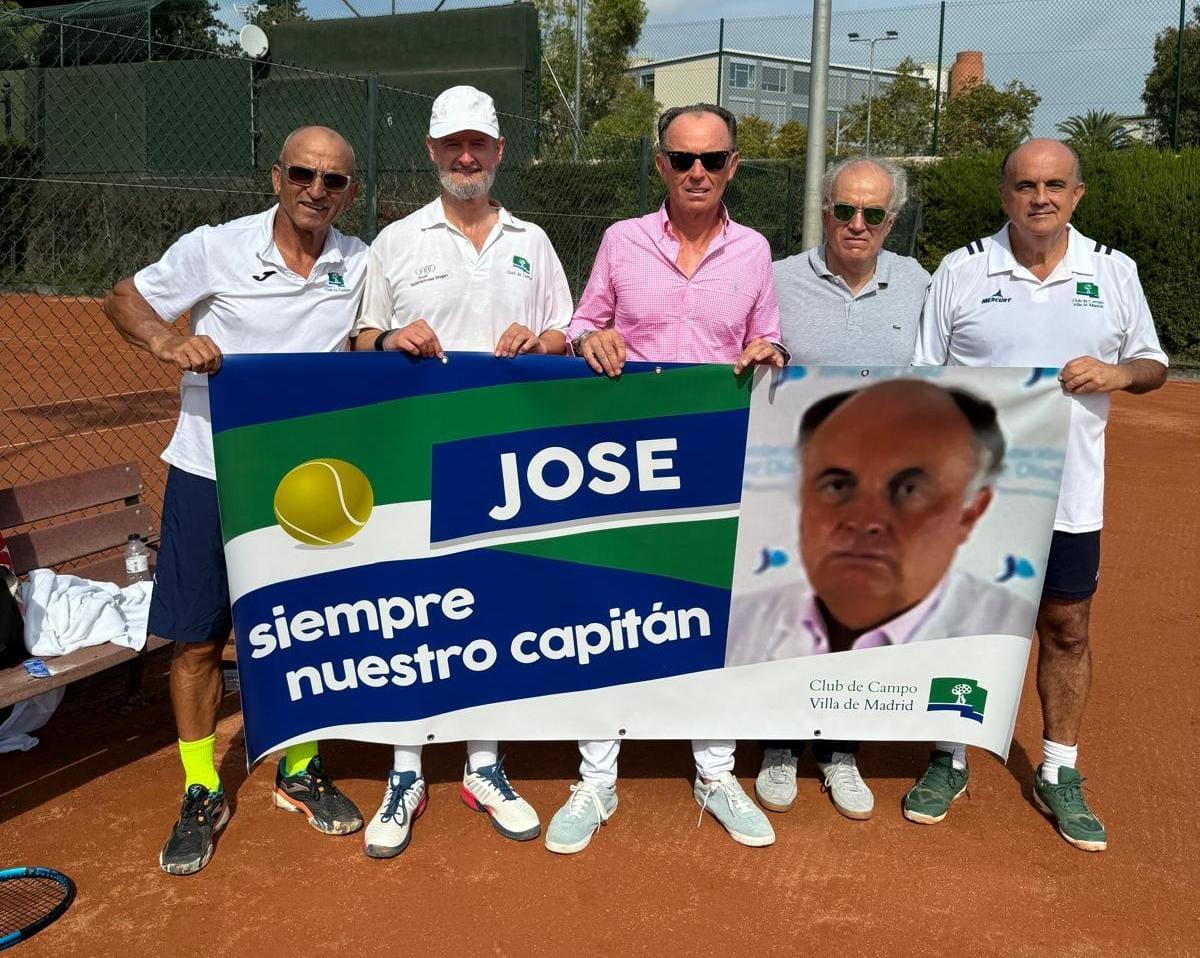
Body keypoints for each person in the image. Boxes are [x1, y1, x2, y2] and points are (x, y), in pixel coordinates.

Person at [103, 126, 369, 875]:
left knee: (310, 629)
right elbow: (125, 297)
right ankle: (199, 786)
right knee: (196, 638)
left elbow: (372, 341)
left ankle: (298, 770)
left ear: (351, 192)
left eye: (335, 181)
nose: (317, 190)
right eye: (304, 174)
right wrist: (164, 341)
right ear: (276, 175)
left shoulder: (361, 262)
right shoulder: (216, 247)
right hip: (209, 471)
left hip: (308, 483)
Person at [910, 138, 1168, 851]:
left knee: (1067, 628)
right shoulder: (960, 270)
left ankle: (1059, 770)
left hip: (1070, 496)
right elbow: (922, 377)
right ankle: (949, 758)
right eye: (1025, 185)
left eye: (1055, 184)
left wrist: (1119, 376)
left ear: (1077, 194)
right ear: (1005, 195)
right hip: (975, 498)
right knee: (963, 624)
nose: (1040, 197)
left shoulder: (1115, 273)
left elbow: (1152, 364)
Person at [547, 102, 787, 855]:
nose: (696, 172)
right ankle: (597, 776)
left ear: (732, 167)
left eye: (711, 160)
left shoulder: (755, 252)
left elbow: (768, 336)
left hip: (715, 460)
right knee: (608, 612)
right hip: (620, 462)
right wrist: (595, 340)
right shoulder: (621, 240)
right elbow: (585, 322)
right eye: (682, 159)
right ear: (660, 165)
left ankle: (716, 773)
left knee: (710, 614)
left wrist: (768, 352)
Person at [351, 85, 572, 858]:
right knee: (414, 610)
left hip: (509, 463)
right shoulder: (396, 242)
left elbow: (563, 334)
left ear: (500, 150)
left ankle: (484, 763)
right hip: (414, 460)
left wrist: (540, 342)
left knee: (494, 612)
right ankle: (405, 769)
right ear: (433, 152)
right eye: (453, 145)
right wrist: (391, 339)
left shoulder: (533, 241)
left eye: (479, 143)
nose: (466, 157)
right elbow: (360, 338)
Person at [759, 156, 932, 821]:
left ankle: (838, 749)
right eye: (843, 210)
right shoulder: (775, 280)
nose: (856, 225)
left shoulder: (920, 283)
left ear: (892, 219)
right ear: (824, 210)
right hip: (796, 484)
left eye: (873, 213)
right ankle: (779, 743)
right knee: (791, 613)